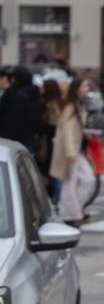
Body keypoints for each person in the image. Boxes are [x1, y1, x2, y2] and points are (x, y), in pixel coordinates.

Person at [52, 78, 93, 223]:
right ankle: (69, 212)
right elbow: (68, 130)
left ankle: (72, 210)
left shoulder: (78, 105)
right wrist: (70, 151)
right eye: (84, 85)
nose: (87, 88)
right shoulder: (71, 107)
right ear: (77, 89)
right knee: (71, 182)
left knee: (86, 179)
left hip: (76, 150)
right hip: (71, 151)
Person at [0, 65, 41, 154]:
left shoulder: (13, 95)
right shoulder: (35, 94)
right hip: (29, 139)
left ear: (14, 79)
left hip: (10, 140)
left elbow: (9, 119)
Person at [38, 79, 63, 180]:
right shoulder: (59, 102)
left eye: (43, 87)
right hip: (53, 141)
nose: (41, 89)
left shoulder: (50, 105)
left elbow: (52, 124)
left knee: (48, 169)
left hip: (49, 141)